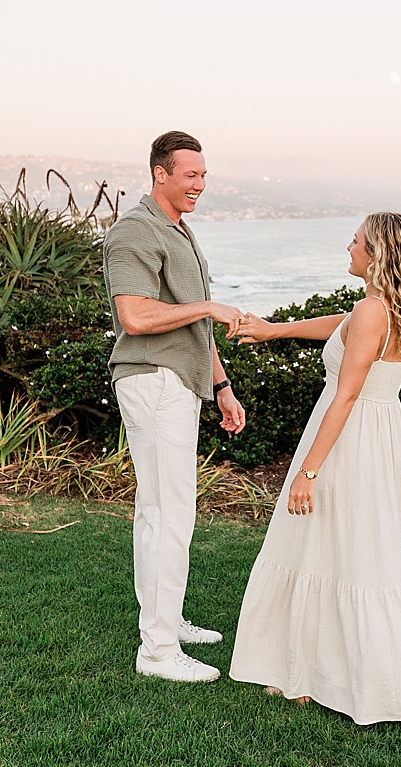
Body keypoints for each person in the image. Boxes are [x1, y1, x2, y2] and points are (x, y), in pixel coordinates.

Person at [227, 212, 401, 723]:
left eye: (355, 241)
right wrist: (273, 331)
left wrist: (307, 472)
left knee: (329, 545)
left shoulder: (374, 310)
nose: (347, 246)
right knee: (352, 549)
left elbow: (346, 396)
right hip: (376, 437)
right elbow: (342, 326)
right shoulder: (390, 308)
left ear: (375, 253)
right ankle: (320, 671)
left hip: (346, 439)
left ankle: (321, 676)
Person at [103, 130, 249, 683]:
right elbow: (135, 317)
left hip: (179, 381)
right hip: (153, 380)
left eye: (204, 175)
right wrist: (208, 304)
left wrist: (223, 387)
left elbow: (194, 327)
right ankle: (159, 652)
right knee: (169, 514)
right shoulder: (135, 232)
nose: (200, 185)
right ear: (160, 173)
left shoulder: (178, 231)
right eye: (191, 175)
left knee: (158, 512)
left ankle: (167, 621)